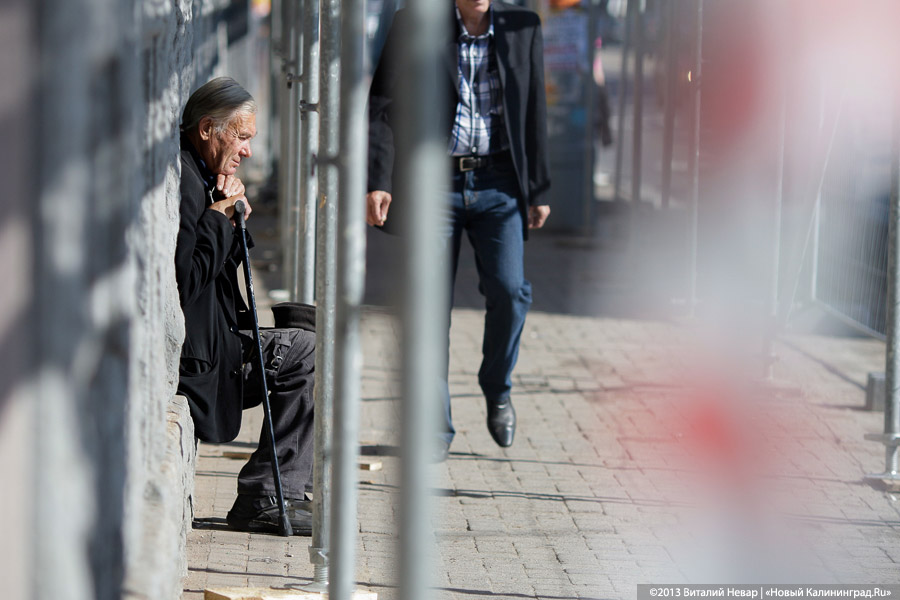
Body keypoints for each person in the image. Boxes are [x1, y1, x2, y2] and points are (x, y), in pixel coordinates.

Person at [366, 0, 551, 462]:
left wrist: (539, 188)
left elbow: (533, 110)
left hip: (500, 183)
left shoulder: (522, 27)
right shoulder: (416, 22)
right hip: (433, 182)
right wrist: (378, 180)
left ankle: (497, 386)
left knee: (510, 292)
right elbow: (383, 104)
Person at [175, 77, 316, 535]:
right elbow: (185, 280)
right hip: (202, 360)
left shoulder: (200, 175)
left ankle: (279, 490)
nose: (248, 152)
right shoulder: (181, 181)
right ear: (207, 129)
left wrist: (232, 214)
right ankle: (266, 497)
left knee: (310, 330)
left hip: (215, 342)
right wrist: (218, 218)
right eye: (242, 137)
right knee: (309, 351)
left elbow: (217, 263)